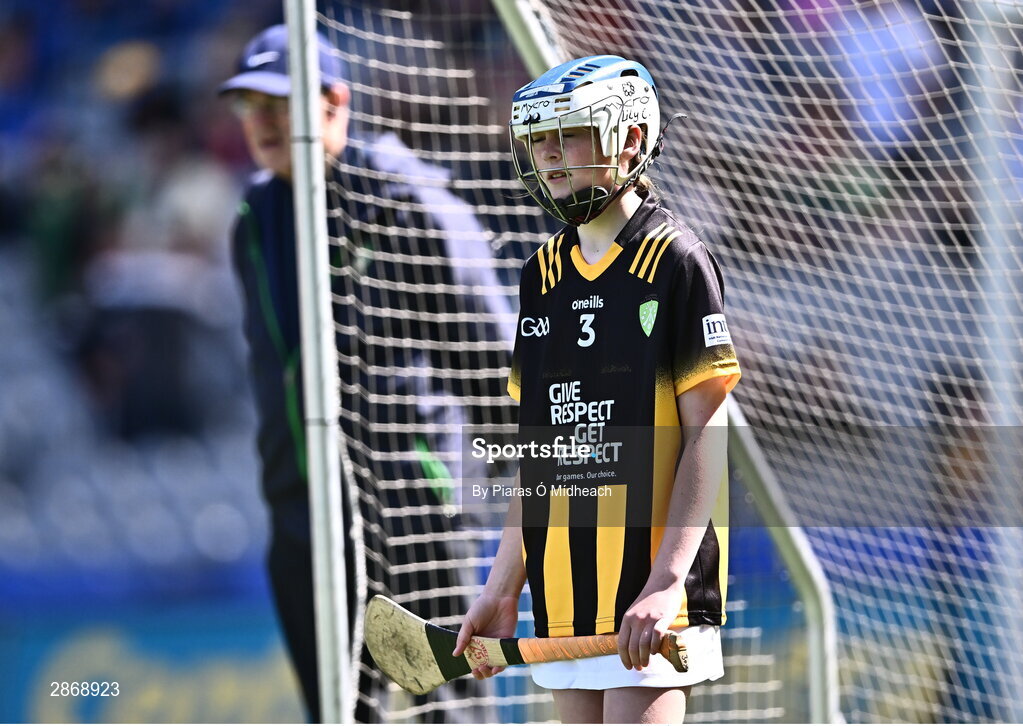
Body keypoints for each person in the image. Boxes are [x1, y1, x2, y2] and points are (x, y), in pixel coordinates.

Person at [219, 25, 508, 723]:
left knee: (446, 710)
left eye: (278, 102)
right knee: (337, 713)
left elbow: (494, 357)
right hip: (302, 515)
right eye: (250, 105)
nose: (261, 121)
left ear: (335, 101)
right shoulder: (254, 218)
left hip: (413, 506)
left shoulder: (404, 199)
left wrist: (501, 484)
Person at [454, 56, 742, 723]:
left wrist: (666, 583)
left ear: (631, 139)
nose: (550, 155)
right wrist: (503, 586)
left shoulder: (674, 260)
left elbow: (707, 431)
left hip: (652, 597)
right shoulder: (541, 275)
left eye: (570, 135)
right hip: (564, 597)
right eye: (538, 140)